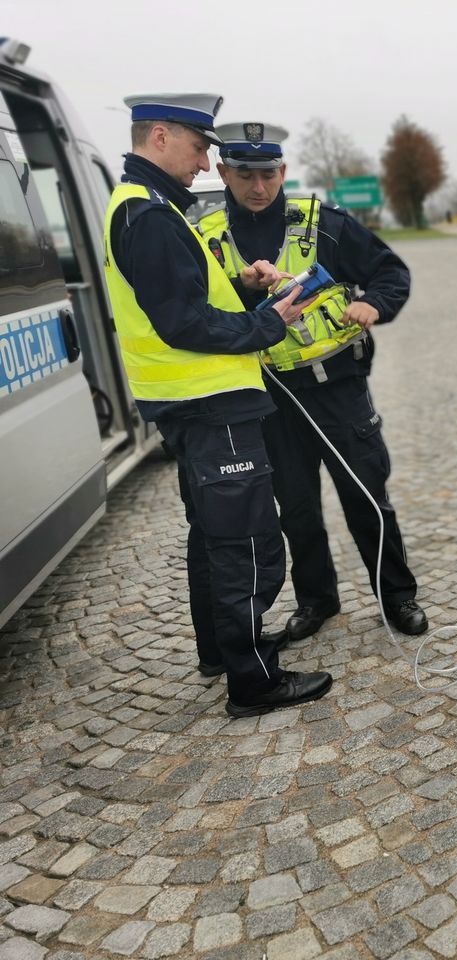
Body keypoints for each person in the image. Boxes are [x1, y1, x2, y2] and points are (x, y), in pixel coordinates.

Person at [102, 94, 333, 718]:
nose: (207, 163)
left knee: (210, 536)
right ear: (158, 137)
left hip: (193, 402)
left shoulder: (148, 208)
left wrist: (243, 287)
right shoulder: (149, 215)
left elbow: (188, 297)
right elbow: (183, 323)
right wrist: (269, 324)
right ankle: (253, 680)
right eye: (200, 146)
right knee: (246, 542)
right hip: (210, 403)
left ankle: (219, 653)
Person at [198, 122, 428, 643]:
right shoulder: (208, 239)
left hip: (338, 387)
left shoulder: (323, 224)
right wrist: (240, 285)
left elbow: (392, 272)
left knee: (367, 497)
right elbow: (197, 309)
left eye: (268, 174)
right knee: (296, 509)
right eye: (245, 175)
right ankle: (316, 601)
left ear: (283, 171)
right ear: (223, 172)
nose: (258, 187)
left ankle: (396, 596)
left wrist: (375, 304)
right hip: (270, 397)